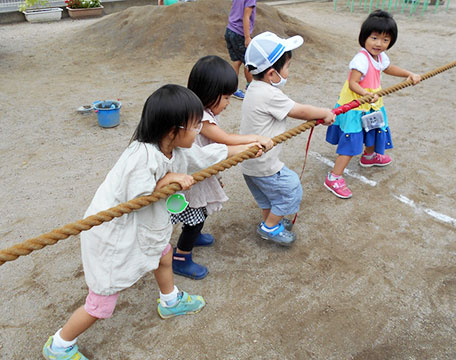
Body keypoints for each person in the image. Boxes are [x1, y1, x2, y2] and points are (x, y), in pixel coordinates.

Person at [42, 85, 261, 359]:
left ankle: (169, 301)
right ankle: (59, 345)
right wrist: (167, 180)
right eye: (194, 126)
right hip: (112, 235)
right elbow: (137, 195)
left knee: (162, 255)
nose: (198, 131)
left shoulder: (176, 150)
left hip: (142, 228)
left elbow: (207, 157)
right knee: (101, 302)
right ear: (173, 130)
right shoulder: (141, 156)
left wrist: (249, 147)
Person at [171, 55, 273, 280]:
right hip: (192, 179)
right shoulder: (200, 117)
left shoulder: (202, 111)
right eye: (225, 97)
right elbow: (225, 139)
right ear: (209, 92)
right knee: (195, 217)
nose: (228, 103)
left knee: (201, 212)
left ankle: (193, 237)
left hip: (201, 171)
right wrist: (254, 139)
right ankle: (181, 257)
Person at [241, 31, 335, 246]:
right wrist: (324, 113)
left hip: (250, 165)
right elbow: (299, 111)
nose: (289, 71)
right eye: (288, 67)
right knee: (291, 187)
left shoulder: (253, 88)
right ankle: (270, 227)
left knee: (267, 197)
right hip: (264, 164)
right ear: (272, 74)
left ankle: (270, 221)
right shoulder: (269, 94)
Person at [324, 10, 421, 199]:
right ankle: (333, 177)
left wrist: (408, 74)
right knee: (352, 143)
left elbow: (388, 68)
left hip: (372, 105)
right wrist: (365, 95)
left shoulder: (380, 57)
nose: (379, 44)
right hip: (354, 106)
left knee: (374, 129)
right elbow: (353, 82)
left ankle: (369, 157)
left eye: (385, 40)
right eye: (374, 38)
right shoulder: (361, 59)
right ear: (364, 37)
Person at [224, 0, 256, 100]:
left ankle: (232, 89)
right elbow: (246, 17)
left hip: (230, 30)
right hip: (240, 33)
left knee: (236, 61)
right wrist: (247, 37)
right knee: (249, 61)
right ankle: (251, 88)